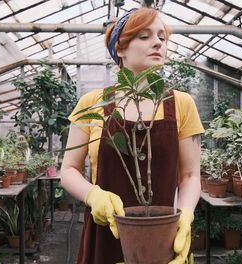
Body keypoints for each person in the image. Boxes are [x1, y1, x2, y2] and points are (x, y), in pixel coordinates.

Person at [60, 7, 204, 264]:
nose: (158, 42)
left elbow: (190, 175)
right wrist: (94, 195)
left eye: (162, 36)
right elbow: (68, 169)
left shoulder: (181, 104)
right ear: (120, 49)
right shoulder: (92, 104)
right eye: (144, 36)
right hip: (106, 232)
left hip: (164, 234)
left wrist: (186, 214)